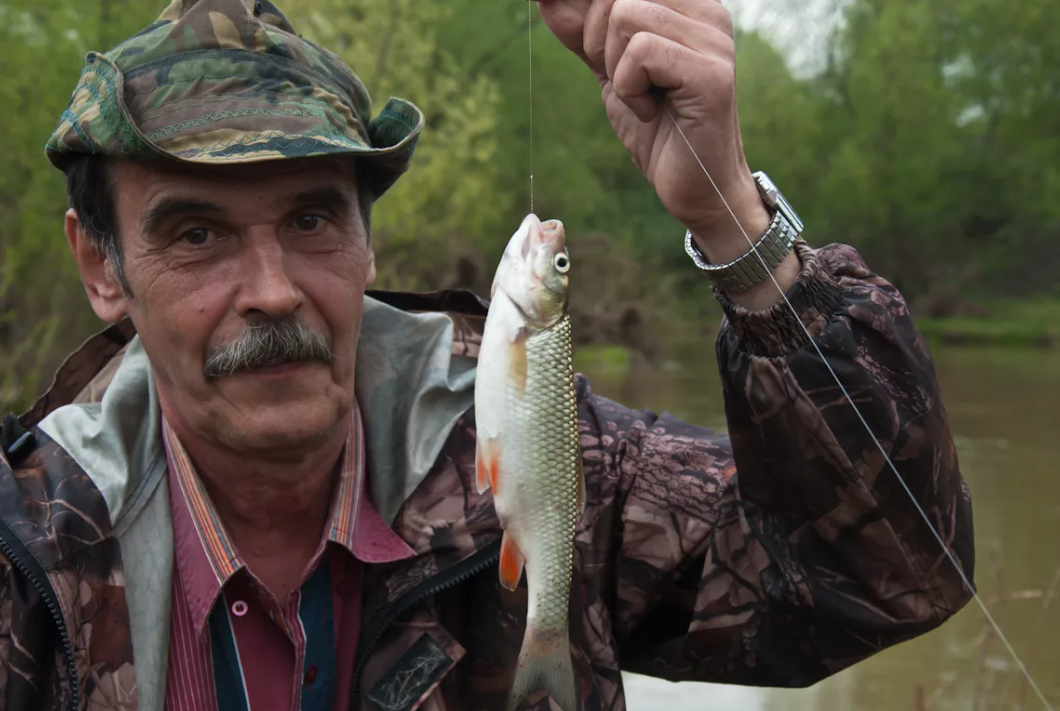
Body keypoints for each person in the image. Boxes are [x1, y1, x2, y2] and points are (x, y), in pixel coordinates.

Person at [0, 0, 975, 709]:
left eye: (310, 219)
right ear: (100, 263)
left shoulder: (557, 457)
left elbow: (883, 579)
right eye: (197, 235)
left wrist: (734, 221)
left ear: (369, 240)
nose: (272, 289)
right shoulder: (28, 549)